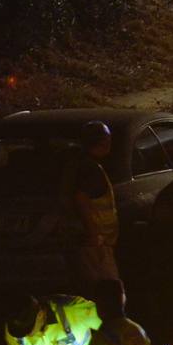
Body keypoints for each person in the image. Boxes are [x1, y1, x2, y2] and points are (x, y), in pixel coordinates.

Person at [70, 120, 119, 285]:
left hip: (91, 239)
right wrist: (94, 234)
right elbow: (81, 199)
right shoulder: (90, 169)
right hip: (96, 241)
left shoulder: (78, 164)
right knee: (107, 286)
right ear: (105, 141)